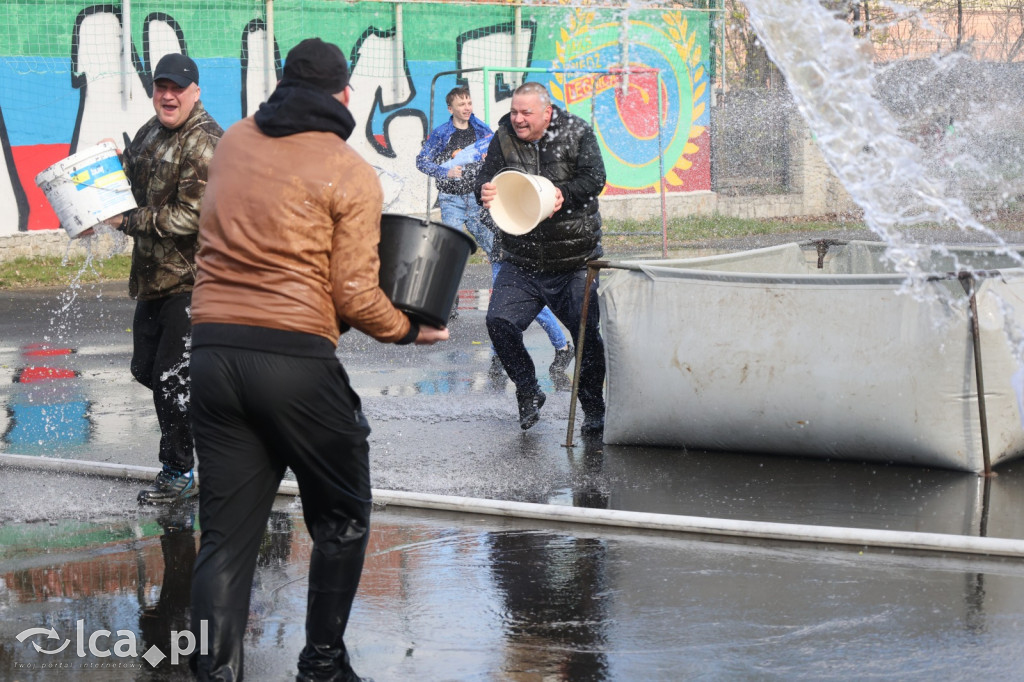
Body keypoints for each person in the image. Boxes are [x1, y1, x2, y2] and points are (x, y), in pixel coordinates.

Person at [187, 38, 448, 681]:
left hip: (213, 354)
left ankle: (212, 673)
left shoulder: (233, 141)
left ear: (282, 86)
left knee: (224, 540)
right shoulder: (348, 169)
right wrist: (407, 331)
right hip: (294, 361)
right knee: (341, 516)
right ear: (345, 95)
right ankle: (323, 663)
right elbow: (355, 294)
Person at [100, 53, 222, 504]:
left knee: (172, 380)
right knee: (146, 370)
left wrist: (126, 220)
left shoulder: (205, 141)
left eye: (177, 89)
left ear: (195, 92)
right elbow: (129, 185)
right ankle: (227, 418)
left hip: (198, 282)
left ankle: (178, 471)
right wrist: (109, 167)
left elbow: (192, 216)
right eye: (161, 87)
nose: (168, 96)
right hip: (155, 280)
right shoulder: (151, 131)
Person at [475, 81, 607, 433]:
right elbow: (486, 178)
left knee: (586, 336)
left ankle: (593, 408)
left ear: (547, 112)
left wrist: (564, 193)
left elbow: (595, 178)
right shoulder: (503, 137)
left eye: (525, 113)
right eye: (514, 112)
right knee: (499, 322)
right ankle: (528, 389)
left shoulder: (577, 132)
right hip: (522, 260)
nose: (517, 119)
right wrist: (482, 190)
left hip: (574, 261)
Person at [416, 86, 574, 376]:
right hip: (464, 207)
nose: (467, 107)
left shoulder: (494, 145)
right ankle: (510, 349)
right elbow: (424, 161)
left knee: (513, 298)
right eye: (461, 103)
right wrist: (446, 171)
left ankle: (556, 346)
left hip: (500, 228)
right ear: (451, 108)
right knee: (497, 296)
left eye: (469, 102)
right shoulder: (449, 137)